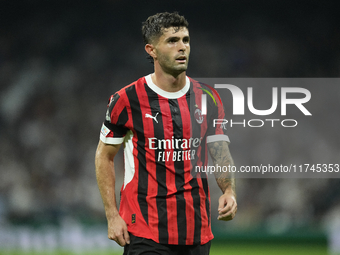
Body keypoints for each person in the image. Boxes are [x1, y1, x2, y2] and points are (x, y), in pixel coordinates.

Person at [95, 12, 237, 255]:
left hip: (197, 231)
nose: (182, 47)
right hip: (145, 232)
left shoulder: (209, 98)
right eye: (172, 41)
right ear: (152, 50)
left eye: (186, 40)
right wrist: (112, 215)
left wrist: (229, 191)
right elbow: (104, 156)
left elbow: (220, 152)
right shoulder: (126, 99)